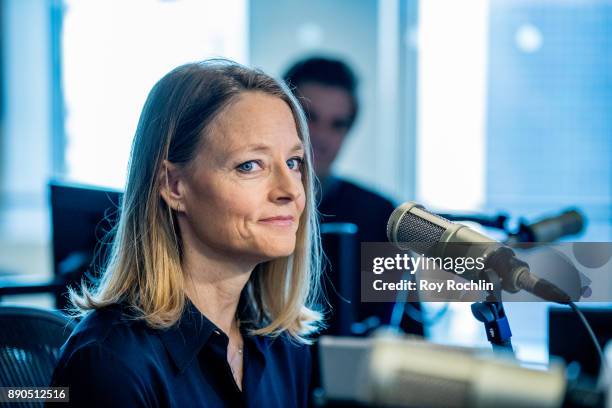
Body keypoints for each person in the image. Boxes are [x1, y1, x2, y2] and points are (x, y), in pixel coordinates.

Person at [49, 59, 324, 407]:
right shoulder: (110, 362)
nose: (291, 191)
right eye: (250, 165)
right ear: (174, 185)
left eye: (293, 163)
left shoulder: (284, 346)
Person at [283, 56, 423, 336]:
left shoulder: (380, 215)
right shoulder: (249, 206)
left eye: (338, 125)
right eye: (310, 118)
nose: (321, 137)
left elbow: (408, 337)